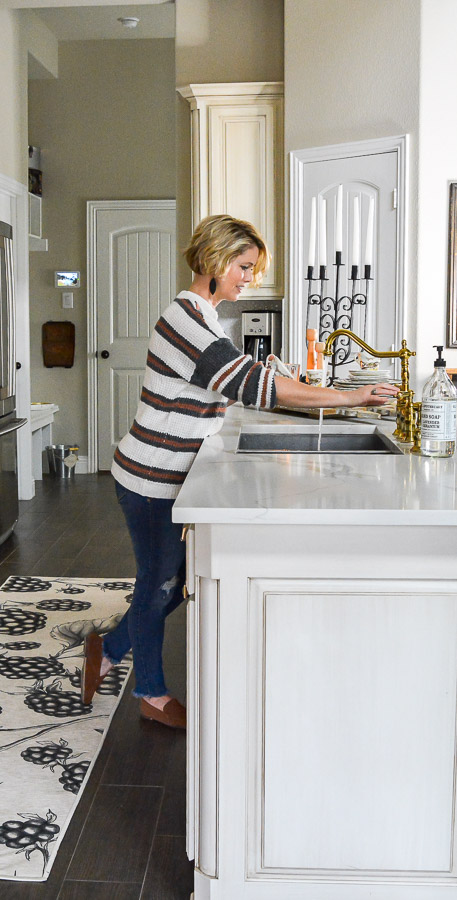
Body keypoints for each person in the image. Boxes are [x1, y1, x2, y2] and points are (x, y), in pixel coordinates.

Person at [81, 214, 399, 729]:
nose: (248, 278)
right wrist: (348, 397)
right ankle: (151, 693)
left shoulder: (206, 319)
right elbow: (252, 387)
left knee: (175, 577)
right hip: (149, 474)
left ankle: (110, 647)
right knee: (159, 581)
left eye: (252, 269)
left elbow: (240, 382)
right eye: (244, 267)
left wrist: (279, 378)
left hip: (168, 474)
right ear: (215, 258)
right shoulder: (187, 319)